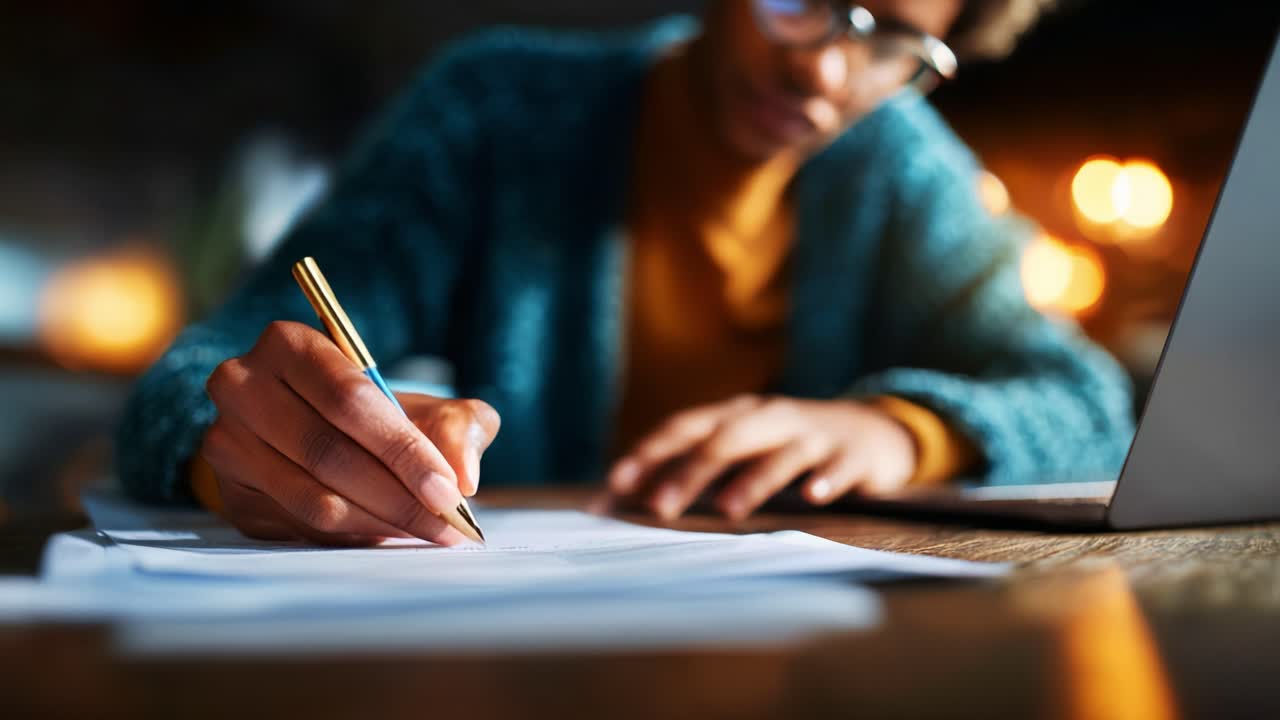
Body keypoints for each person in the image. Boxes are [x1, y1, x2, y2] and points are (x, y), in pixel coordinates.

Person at [117, 0, 1134, 546]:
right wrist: (239, 452)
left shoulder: (900, 170)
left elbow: (1085, 400)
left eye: (896, 44)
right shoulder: (492, 112)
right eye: (795, 2)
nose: (823, 72)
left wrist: (892, 431)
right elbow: (192, 376)